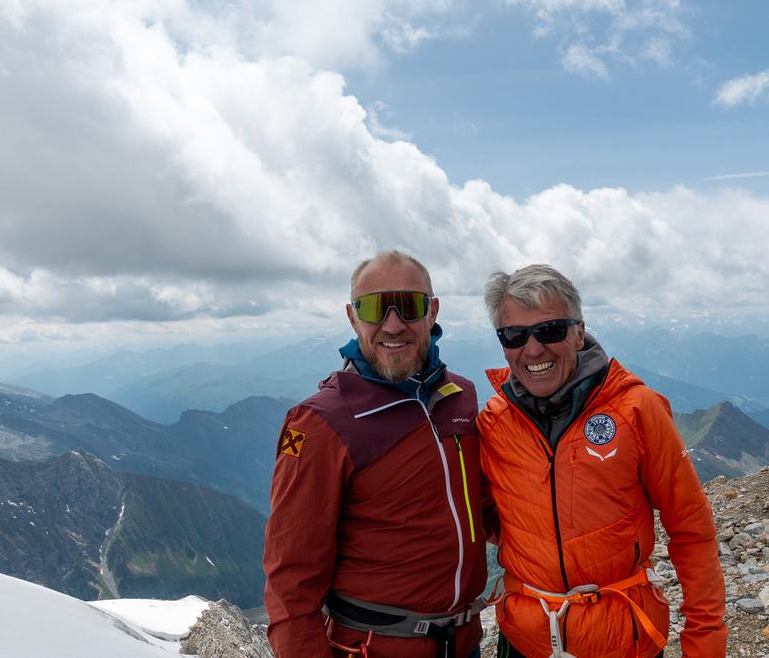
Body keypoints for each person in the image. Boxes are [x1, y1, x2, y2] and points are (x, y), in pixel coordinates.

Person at [477, 264, 728, 658]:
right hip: (526, 641)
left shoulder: (637, 410)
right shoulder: (493, 421)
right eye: (514, 335)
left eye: (550, 330)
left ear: (578, 332)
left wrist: (705, 643)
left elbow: (691, 529)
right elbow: (486, 514)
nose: (532, 349)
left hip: (623, 641)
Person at [263, 250, 487, 658]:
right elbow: (289, 579)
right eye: (375, 309)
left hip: (465, 643)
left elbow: (484, 508)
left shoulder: (460, 396)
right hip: (372, 648)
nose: (394, 325)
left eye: (410, 306)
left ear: (432, 311)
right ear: (353, 317)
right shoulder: (320, 423)